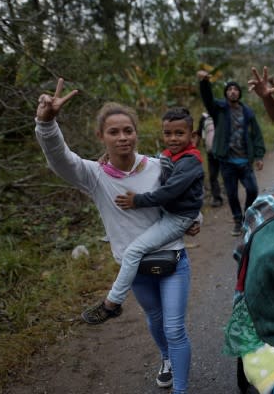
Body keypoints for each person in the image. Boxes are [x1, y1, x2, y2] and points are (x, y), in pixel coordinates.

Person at [34, 79, 198, 394]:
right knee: (155, 321)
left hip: (172, 261)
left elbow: (187, 197)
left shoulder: (159, 166)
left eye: (128, 130)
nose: (122, 137)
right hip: (136, 268)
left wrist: (195, 220)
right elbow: (60, 160)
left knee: (174, 326)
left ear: (137, 133)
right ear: (101, 137)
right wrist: (46, 123)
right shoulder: (94, 176)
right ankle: (166, 358)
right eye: (113, 132)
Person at [84, 107, 204, 330]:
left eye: (179, 134)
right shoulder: (169, 157)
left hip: (177, 219)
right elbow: (171, 180)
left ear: (193, 136)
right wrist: (107, 159)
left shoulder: (189, 162)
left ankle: (112, 303)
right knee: (154, 313)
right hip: (176, 215)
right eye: (168, 133)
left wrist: (137, 201)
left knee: (133, 251)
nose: (173, 138)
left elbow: (169, 193)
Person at [197, 71, 265, 236]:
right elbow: (207, 99)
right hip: (227, 161)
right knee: (232, 194)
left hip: (244, 160)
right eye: (229, 89)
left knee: (252, 189)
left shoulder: (248, 112)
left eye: (235, 89)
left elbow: (256, 134)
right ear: (226, 93)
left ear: (239, 93)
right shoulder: (219, 109)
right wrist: (205, 83)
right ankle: (237, 220)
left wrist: (259, 155)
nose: (233, 91)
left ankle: (247, 217)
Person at [198, 111, 224, 207]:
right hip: (211, 152)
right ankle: (217, 197)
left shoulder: (221, 113)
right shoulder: (204, 118)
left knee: (227, 174)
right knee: (213, 176)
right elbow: (199, 133)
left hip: (223, 151)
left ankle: (229, 194)